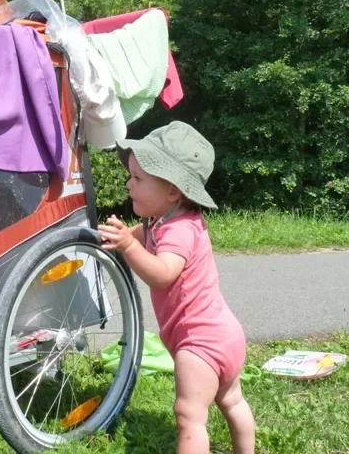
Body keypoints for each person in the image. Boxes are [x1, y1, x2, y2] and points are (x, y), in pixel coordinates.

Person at [98, 121, 256, 454]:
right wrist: (123, 236)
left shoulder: (181, 229)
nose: (129, 184)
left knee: (190, 417)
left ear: (173, 190)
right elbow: (144, 237)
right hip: (223, 333)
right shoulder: (163, 219)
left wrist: (127, 246)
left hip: (200, 342)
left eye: (138, 179)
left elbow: (163, 274)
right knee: (233, 402)